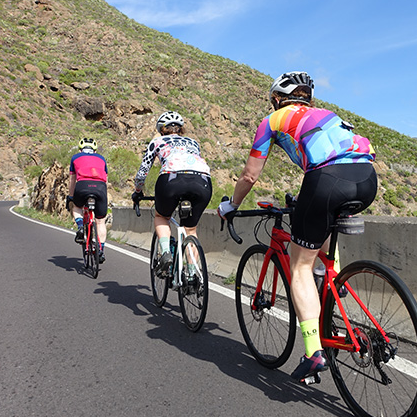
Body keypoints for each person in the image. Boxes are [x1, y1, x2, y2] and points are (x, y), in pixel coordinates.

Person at [218, 71, 377, 383]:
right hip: (367, 177)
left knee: (300, 265)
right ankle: (335, 281)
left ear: (277, 99)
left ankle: (313, 352)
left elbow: (250, 176)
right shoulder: (327, 114)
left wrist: (231, 205)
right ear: (308, 98)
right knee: (321, 241)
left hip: (327, 180)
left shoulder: (273, 121)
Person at [132, 111, 212, 274]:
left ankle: (166, 253)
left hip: (171, 180)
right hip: (203, 182)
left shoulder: (157, 141)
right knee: (191, 230)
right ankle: (192, 274)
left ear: (162, 129)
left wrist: (138, 191)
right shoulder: (193, 142)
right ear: (181, 129)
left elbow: (142, 172)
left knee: (162, 216)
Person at [67, 137, 109, 263]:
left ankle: (80, 227)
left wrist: (70, 196)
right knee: (100, 221)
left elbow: (72, 180)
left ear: (80, 149)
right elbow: (106, 180)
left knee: (77, 207)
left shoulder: (75, 157)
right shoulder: (102, 158)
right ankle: (100, 250)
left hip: (82, 186)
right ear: (95, 150)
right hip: (100, 188)